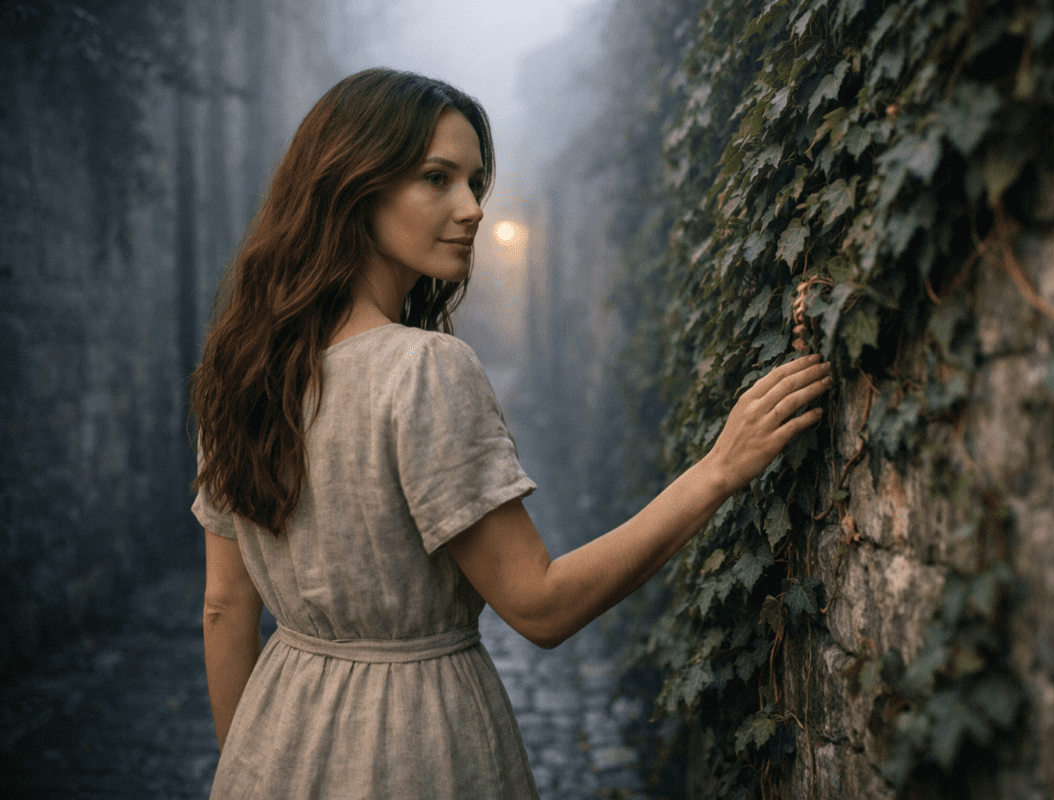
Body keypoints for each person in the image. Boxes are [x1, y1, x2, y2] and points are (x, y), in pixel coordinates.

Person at [190, 68, 831, 799]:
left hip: (272, 742)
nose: (470, 209)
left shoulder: (239, 370)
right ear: (354, 186)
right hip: (418, 744)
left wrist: (248, 767)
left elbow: (224, 607)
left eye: (475, 182)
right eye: (437, 178)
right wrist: (718, 469)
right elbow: (540, 604)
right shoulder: (425, 370)